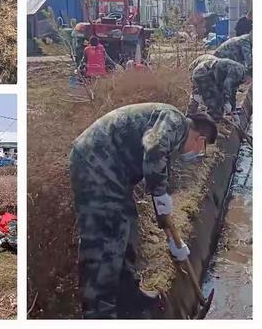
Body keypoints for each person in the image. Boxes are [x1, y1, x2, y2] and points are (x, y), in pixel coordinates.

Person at [68, 104, 218, 319]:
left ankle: (128, 294)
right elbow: (154, 149)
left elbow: (156, 162)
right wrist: (160, 194)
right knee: (107, 237)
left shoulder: (173, 130)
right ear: (200, 139)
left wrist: (163, 214)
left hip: (112, 174)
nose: (196, 153)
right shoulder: (175, 121)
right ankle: (99, 311)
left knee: (128, 228)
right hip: (95, 165)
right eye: (200, 148)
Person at [187, 54, 246, 122]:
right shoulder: (237, 71)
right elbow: (227, 87)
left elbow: (232, 91)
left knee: (219, 98)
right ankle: (212, 122)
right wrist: (227, 103)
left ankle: (217, 119)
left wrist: (233, 108)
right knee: (214, 101)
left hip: (210, 76)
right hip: (202, 74)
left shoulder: (237, 74)